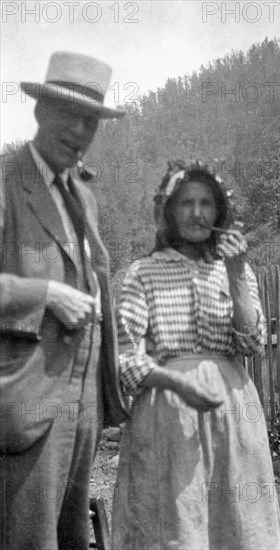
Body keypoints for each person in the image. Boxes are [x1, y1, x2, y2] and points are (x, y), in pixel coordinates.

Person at [111, 160, 280, 550]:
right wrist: (174, 381)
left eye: (207, 203)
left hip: (233, 416)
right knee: (175, 527)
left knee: (237, 524)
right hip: (167, 418)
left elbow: (252, 345)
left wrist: (237, 275)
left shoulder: (236, 271)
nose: (196, 213)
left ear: (220, 213)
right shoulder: (143, 273)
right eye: (186, 203)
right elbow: (124, 360)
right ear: (169, 211)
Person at [0, 51, 128, 549]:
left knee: (70, 537)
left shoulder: (84, 195)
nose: (78, 131)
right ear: (38, 111)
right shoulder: (7, 182)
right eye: (67, 115)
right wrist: (45, 294)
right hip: (23, 405)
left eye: (90, 121)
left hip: (83, 408)